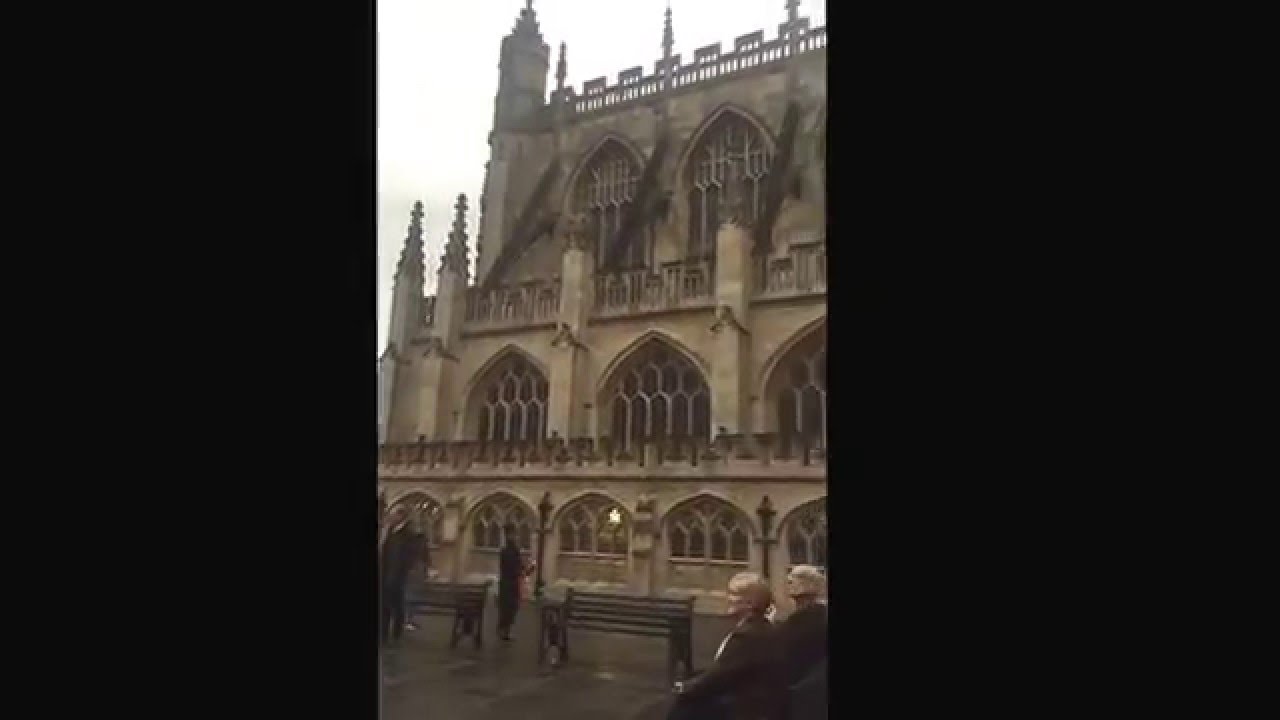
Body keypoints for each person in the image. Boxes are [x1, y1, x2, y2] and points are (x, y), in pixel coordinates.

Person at [667, 572, 785, 720]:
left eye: (734, 594)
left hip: (745, 708)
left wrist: (683, 688)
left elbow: (719, 676)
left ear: (751, 603)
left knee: (680, 706)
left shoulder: (748, 635)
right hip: (750, 699)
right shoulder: (760, 627)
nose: (728, 598)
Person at [776, 565, 828, 686]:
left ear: (808, 584)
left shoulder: (813, 617)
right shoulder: (798, 616)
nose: (788, 584)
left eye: (792, 580)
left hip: (803, 683)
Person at [379, 505, 417, 648]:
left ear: (401, 516)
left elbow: (406, 557)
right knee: (384, 605)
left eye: (392, 514)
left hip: (396, 576)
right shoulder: (389, 531)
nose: (389, 517)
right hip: (385, 574)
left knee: (396, 605)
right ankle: (383, 633)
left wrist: (398, 575)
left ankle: (396, 633)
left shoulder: (408, 533)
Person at [496, 523, 528, 642]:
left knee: (511, 608)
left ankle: (505, 630)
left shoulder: (513, 549)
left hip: (511, 583)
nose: (514, 536)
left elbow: (518, 565)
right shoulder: (507, 550)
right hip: (508, 583)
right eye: (512, 534)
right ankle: (503, 630)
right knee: (507, 608)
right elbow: (512, 566)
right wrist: (521, 570)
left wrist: (523, 569)